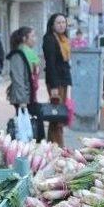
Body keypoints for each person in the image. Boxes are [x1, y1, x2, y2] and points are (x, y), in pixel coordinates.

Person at [6, 27, 44, 141]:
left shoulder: (27, 53)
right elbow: (18, 79)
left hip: (28, 96)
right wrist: (22, 101)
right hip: (23, 98)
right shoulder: (18, 54)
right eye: (32, 36)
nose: (35, 39)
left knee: (31, 127)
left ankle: (31, 150)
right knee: (30, 128)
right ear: (24, 38)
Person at [43, 13, 72, 147]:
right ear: (52, 25)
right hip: (56, 82)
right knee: (57, 115)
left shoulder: (63, 39)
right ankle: (58, 146)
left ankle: (51, 145)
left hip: (63, 80)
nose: (61, 25)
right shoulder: (49, 39)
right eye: (58, 23)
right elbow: (50, 64)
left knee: (58, 114)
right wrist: (53, 87)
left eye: (63, 22)